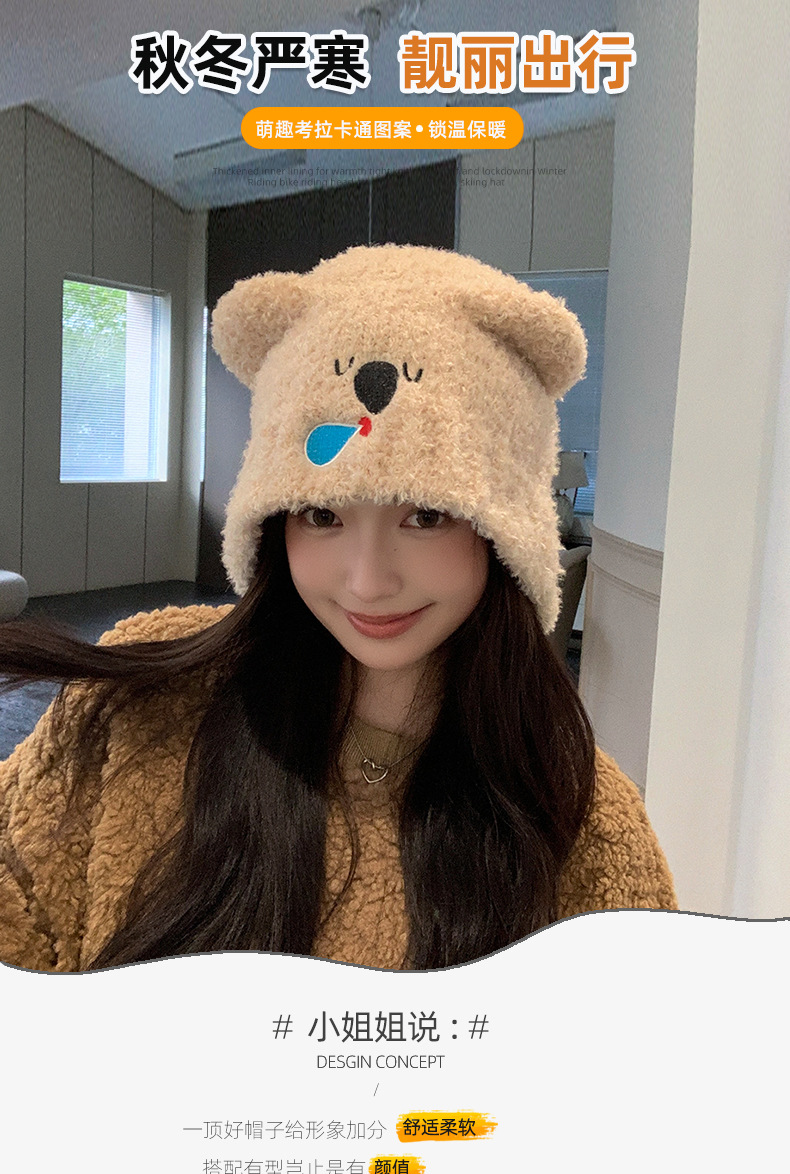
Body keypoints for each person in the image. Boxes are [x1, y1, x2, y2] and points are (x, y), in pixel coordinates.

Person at [0, 244, 675, 974]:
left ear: (505, 533)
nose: (367, 582)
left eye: (425, 517)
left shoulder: (582, 819)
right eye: (322, 514)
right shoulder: (138, 705)